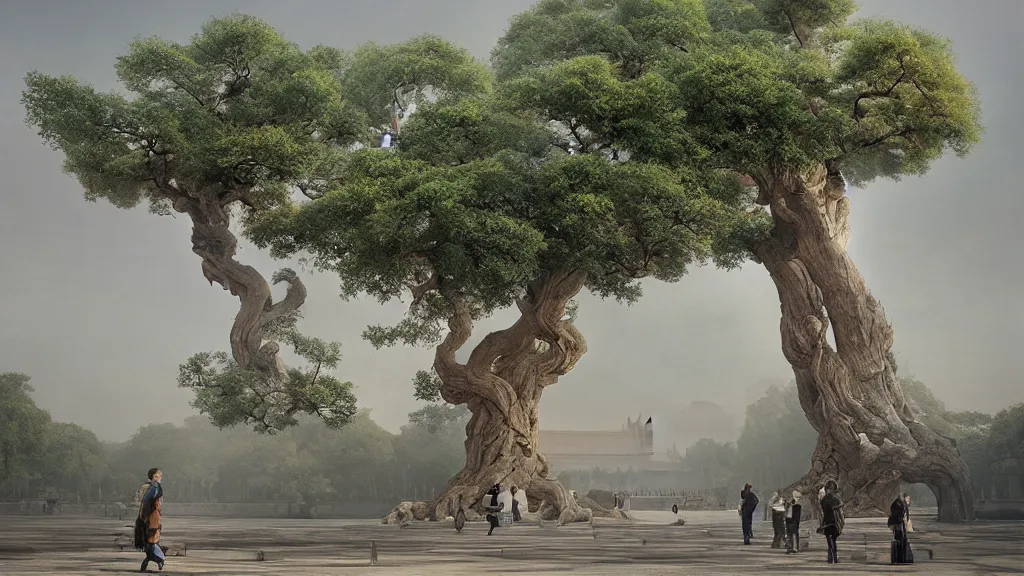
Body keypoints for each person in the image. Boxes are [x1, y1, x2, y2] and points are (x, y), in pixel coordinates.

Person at [133, 468, 163, 551]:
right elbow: (145, 500)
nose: (160, 477)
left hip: (150, 511)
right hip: (150, 512)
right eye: (158, 475)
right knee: (150, 529)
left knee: (150, 530)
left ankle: (150, 547)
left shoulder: (153, 486)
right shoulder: (150, 487)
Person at [819, 480, 844, 564]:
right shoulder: (837, 500)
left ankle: (831, 558)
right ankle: (834, 558)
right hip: (835, 522)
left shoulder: (823, 501)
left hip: (826, 522)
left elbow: (822, 512)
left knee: (829, 541)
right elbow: (841, 509)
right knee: (833, 540)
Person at [140, 495, 165, 572]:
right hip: (151, 535)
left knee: (150, 554)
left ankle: (158, 562)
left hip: (153, 535)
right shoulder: (153, 512)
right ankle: (159, 562)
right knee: (150, 554)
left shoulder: (153, 511)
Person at [888, 493, 914, 564]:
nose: (909, 500)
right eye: (908, 498)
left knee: (901, 539)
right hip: (898, 524)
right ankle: (900, 558)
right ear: (904, 498)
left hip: (900, 524)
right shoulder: (900, 505)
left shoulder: (902, 505)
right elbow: (899, 515)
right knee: (900, 540)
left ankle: (901, 558)